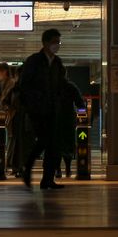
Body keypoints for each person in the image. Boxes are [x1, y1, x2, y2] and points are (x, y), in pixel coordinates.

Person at [18, 28, 67, 190]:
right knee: (45, 140)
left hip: (53, 109)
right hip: (37, 110)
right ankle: (28, 167)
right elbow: (24, 85)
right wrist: (34, 102)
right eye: (54, 42)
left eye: (58, 42)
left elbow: (61, 85)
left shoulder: (58, 63)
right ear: (45, 43)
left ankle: (47, 178)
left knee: (52, 144)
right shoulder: (34, 61)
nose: (57, 45)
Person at [56, 76, 85, 178]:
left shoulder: (51, 86)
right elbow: (80, 103)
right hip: (68, 120)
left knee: (56, 145)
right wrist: (82, 117)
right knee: (68, 145)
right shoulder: (71, 87)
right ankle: (67, 169)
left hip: (54, 120)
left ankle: (57, 170)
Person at [0, 62, 18, 175]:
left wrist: (3, 108)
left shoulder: (11, 84)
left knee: (12, 140)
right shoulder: (5, 84)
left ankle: (11, 164)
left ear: (4, 72)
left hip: (13, 117)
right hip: (9, 116)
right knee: (11, 139)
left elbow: (10, 102)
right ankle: (12, 165)